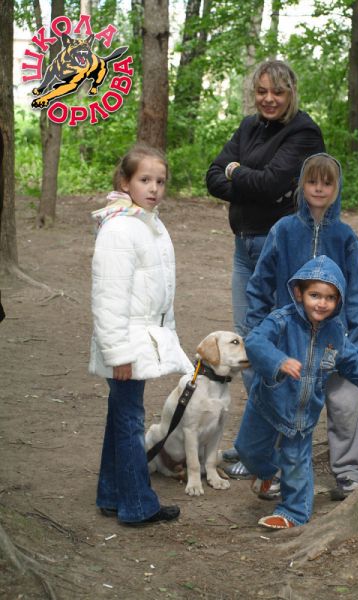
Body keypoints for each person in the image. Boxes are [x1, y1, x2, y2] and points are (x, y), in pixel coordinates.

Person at [206, 59, 325, 479]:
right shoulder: (248, 127)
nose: (268, 99)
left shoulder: (304, 132)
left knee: (276, 346)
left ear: (291, 92)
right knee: (250, 347)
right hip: (244, 248)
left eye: (277, 91)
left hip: (280, 251)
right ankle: (258, 444)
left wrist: (238, 173)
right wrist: (246, 179)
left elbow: (273, 183)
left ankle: (274, 452)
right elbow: (213, 177)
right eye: (261, 91)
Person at [244, 153, 358, 500]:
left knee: (347, 399)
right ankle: (271, 473)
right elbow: (259, 284)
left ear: (337, 188)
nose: (319, 188)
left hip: (334, 341)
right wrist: (261, 333)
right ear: (302, 185)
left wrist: (357, 342)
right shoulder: (283, 230)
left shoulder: (346, 237)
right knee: (279, 403)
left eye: (327, 183)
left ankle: (350, 473)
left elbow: (357, 294)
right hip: (288, 340)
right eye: (312, 181)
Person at [236, 255, 358, 529]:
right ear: (299, 293)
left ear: (338, 300)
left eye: (330, 298)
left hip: (303, 413)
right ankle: (268, 472)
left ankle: (293, 512)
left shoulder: (335, 333)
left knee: (296, 461)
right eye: (315, 295)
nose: (321, 303)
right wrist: (279, 361)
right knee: (248, 450)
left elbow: (355, 360)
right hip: (267, 403)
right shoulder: (281, 320)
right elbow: (256, 341)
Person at [89, 143, 193, 526]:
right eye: (145, 180)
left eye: (160, 181)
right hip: (125, 344)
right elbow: (108, 297)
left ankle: (112, 493)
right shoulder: (119, 228)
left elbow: (160, 293)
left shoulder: (149, 222)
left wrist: (167, 336)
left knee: (122, 414)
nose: (154, 188)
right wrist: (118, 353)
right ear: (125, 182)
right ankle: (137, 505)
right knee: (130, 420)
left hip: (140, 338)